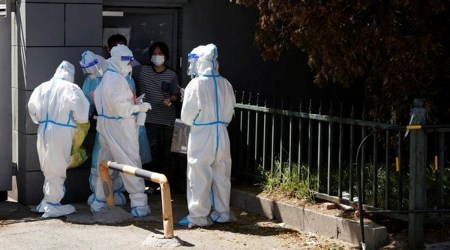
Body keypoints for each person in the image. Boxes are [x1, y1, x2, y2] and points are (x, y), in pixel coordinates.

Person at [178, 44, 236, 227]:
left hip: (201, 133)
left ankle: (198, 216)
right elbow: (230, 111)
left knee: (198, 173)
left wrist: (197, 119)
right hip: (222, 132)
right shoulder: (226, 83)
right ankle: (223, 212)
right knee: (222, 172)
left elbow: (187, 116)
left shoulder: (195, 84)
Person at [93, 44, 151, 217]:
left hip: (105, 125)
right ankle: (139, 204)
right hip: (119, 127)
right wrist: (139, 108)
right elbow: (121, 108)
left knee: (104, 164)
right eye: (126, 62)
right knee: (130, 162)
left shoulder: (106, 77)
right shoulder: (116, 79)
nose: (128, 66)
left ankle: (99, 201)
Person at [28, 61, 90, 218]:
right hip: (61, 131)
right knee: (58, 168)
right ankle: (52, 205)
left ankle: (47, 200)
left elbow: (32, 109)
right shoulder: (71, 88)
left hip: (42, 129)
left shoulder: (42, 87)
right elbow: (82, 115)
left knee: (48, 167)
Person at [79, 51, 127, 208]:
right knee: (100, 160)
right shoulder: (90, 81)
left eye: (92, 67)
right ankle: (100, 196)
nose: (90, 71)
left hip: (120, 126)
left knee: (119, 160)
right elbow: (85, 103)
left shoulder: (118, 77)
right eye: (87, 68)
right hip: (104, 126)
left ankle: (115, 193)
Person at [133, 41, 180, 188]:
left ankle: (167, 186)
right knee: (149, 154)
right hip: (149, 120)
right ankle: (150, 185)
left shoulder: (172, 74)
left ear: (166, 56)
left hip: (167, 121)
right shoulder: (142, 71)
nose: (157, 56)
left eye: (160, 53)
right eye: (155, 53)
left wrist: (170, 99)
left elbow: (176, 95)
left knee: (168, 155)